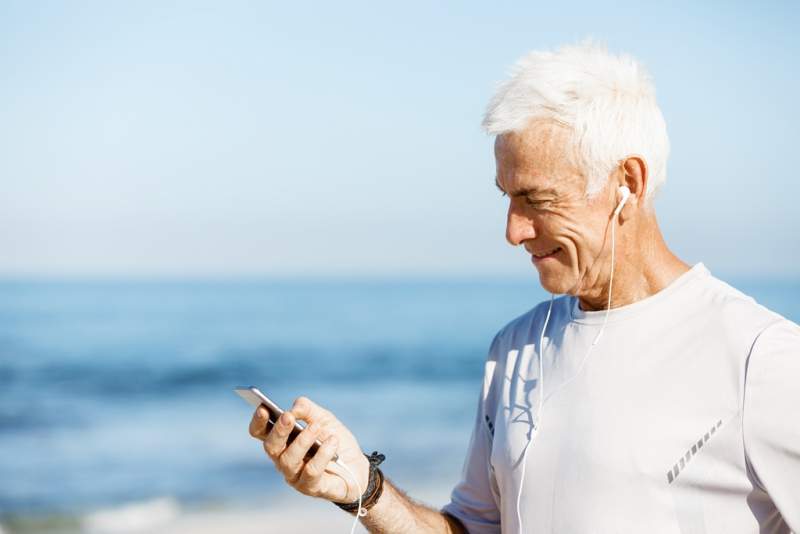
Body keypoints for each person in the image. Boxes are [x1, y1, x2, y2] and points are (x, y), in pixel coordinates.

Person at [247, 42, 800, 533]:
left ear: (627, 183)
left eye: (536, 200)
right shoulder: (515, 349)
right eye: (506, 198)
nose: (513, 231)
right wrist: (363, 488)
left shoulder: (760, 359)